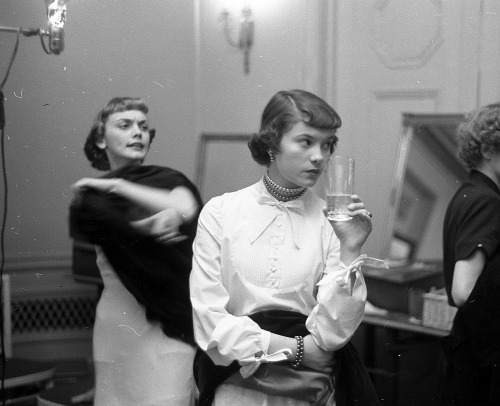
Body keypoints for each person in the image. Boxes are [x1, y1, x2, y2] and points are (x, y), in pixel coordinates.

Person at [190, 89, 383, 406]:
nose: (319, 156)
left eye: (327, 144)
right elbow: (210, 322)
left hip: (306, 392)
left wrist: (350, 249)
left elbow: (332, 335)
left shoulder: (331, 222)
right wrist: (298, 350)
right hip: (235, 386)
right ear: (271, 143)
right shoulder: (220, 212)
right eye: (306, 142)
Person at [69, 97, 202, 406]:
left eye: (143, 127)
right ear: (101, 138)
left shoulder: (169, 180)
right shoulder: (91, 197)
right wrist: (147, 225)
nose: (137, 133)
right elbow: (117, 229)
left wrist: (118, 188)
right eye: (125, 125)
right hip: (116, 325)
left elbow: (185, 205)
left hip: (167, 325)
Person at [436, 103, 500, 405]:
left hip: (467, 344)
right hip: (479, 350)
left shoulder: (468, 192)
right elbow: (464, 291)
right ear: (488, 150)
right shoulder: (487, 200)